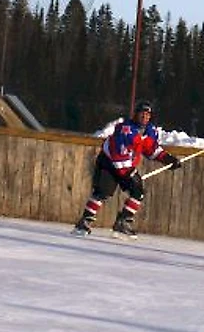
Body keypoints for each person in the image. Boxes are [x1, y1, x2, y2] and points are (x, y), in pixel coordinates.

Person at [73, 100, 181, 237]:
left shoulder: (150, 132)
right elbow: (118, 155)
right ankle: (84, 222)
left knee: (138, 192)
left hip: (127, 165)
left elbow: (152, 150)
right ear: (136, 114)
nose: (145, 117)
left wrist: (168, 159)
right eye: (142, 113)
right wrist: (129, 173)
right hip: (109, 163)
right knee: (103, 192)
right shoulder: (125, 130)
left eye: (148, 114)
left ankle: (123, 222)